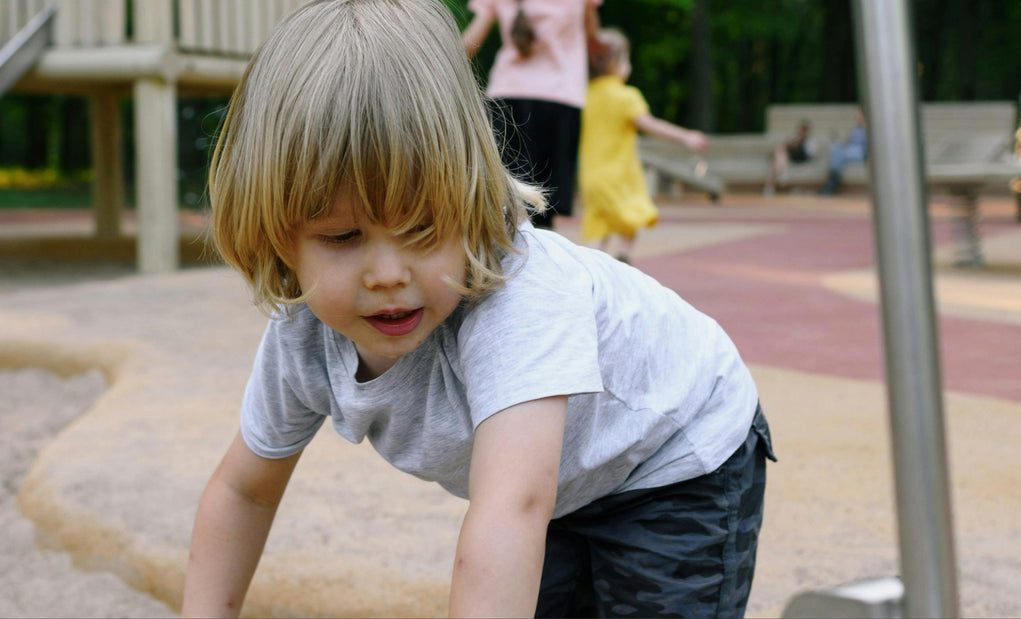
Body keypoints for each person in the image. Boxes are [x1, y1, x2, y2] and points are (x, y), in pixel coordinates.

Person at [181, 1, 776, 618]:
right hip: (565, 481)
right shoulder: (303, 334)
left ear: (472, 193)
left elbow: (510, 509)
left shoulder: (519, 298)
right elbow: (243, 492)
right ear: (280, 236)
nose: (389, 275)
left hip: (673, 453)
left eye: (422, 228)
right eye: (342, 238)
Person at [462, 0, 602, 230]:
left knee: (504, 196)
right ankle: (540, 259)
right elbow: (591, 31)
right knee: (545, 207)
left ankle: (501, 257)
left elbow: (472, 41)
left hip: (508, 95)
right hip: (561, 94)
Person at [578, 28, 708, 264]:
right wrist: (685, 136)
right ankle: (624, 255)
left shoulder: (585, 95)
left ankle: (590, 269)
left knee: (599, 228)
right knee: (634, 212)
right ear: (617, 63)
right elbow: (651, 125)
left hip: (591, 178)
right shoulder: (626, 96)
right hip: (619, 176)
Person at [820, 108, 867, 195]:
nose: (856, 117)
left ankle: (833, 180)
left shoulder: (868, 129)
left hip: (861, 152)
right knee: (836, 146)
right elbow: (849, 142)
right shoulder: (855, 129)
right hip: (850, 150)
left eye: (858, 115)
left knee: (839, 152)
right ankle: (834, 177)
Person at [763, 120, 815, 196]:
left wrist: (797, 144)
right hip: (789, 157)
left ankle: (770, 186)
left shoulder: (811, 141)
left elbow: (809, 154)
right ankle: (781, 173)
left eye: (804, 130)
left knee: (779, 154)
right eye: (802, 129)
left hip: (800, 158)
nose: (802, 131)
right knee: (779, 156)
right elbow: (788, 147)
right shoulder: (795, 138)